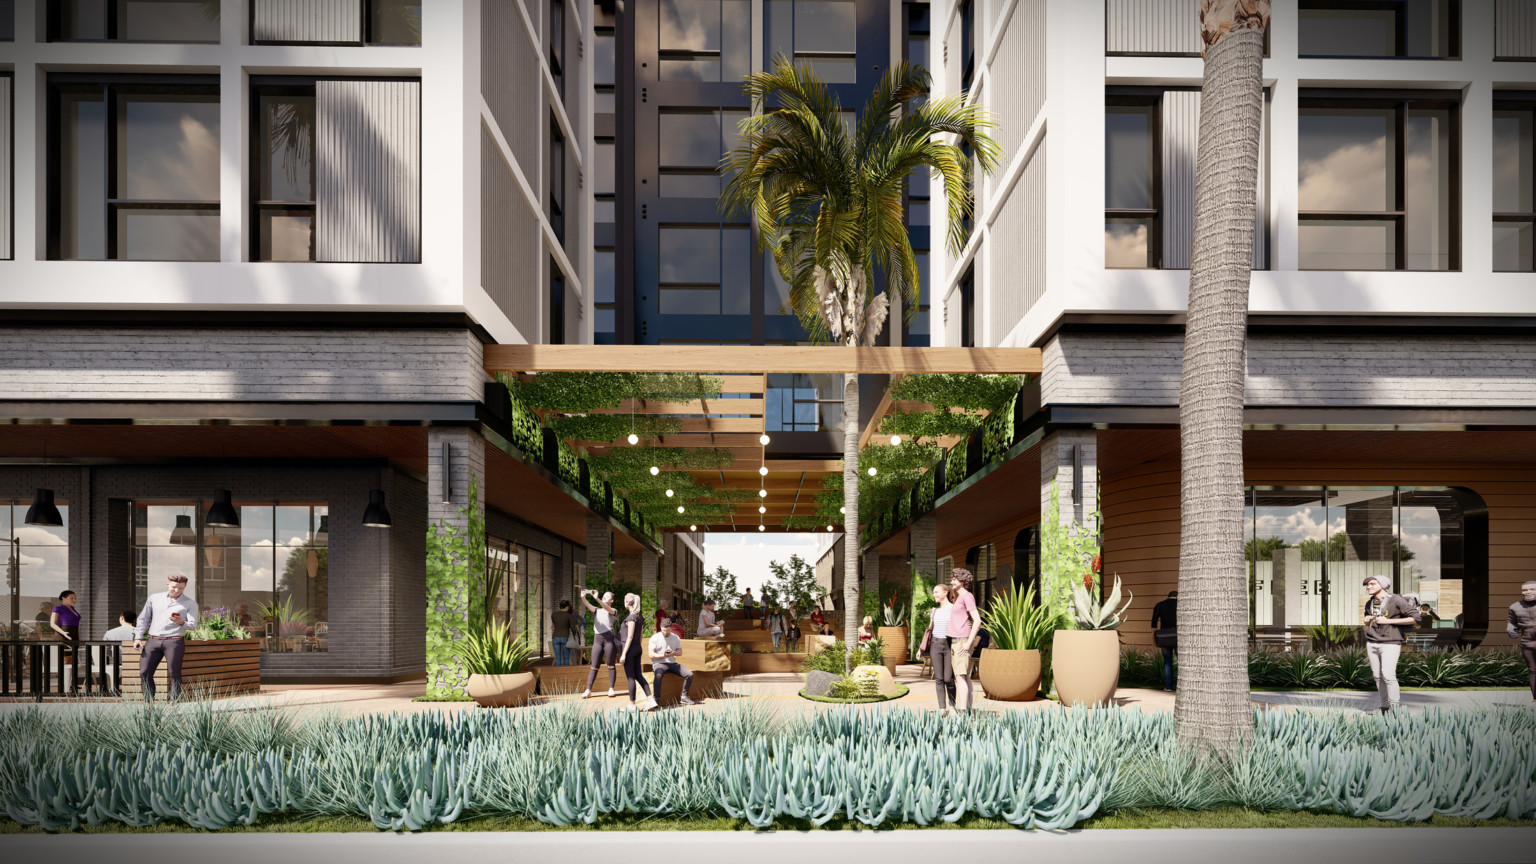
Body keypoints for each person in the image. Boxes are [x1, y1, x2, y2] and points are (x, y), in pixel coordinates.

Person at [133, 574, 199, 702]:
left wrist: (181, 622)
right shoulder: (154, 599)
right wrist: (138, 638)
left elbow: (193, 625)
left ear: (185, 587)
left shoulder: (190, 603)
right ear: (167, 584)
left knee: (174, 674)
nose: (177, 590)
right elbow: (143, 619)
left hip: (174, 642)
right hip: (153, 641)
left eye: (181, 588)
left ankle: (172, 704)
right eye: (174, 587)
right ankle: (149, 704)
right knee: (144, 672)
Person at [1362, 574, 1417, 714]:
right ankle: (1384, 707)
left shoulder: (1396, 600)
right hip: (1372, 642)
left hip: (1390, 643)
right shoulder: (1370, 602)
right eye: (1368, 585)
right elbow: (1367, 619)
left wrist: (1389, 621)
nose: (1369, 587)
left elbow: (1415, 618)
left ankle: (1395, 709)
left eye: (1372, 584)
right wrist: (1367, 620)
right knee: (1377, 676)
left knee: (1388, 675)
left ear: (1382, 585)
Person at [947, 568, 984, 713]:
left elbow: (977, 620)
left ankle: (963, 711)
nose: (951, 582)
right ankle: (967, 708)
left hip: (962, 641)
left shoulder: (967, 596)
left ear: (962, 581)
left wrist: (968, 642)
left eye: (954, 579)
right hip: (957, 640)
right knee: (964, 677)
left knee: (960, 677)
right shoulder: (960, 597)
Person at [920, 583, 956, 713]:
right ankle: (942, 708)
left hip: (949, 644)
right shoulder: (934, 611)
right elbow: (929, 630)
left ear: (945, 592)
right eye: (934, 592)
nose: (934, 595)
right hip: (935, 644)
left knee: (949, 679)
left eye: (936, 592)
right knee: (939, 679)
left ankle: (952, 705)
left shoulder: (954, 608)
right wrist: (921, 649)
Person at [579, 588, 620, 699]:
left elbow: (606, 608)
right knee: (594, 666)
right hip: (597, 640)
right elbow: (588, 606)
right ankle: (588, 690)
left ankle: (611, 688)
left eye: (607, 597)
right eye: (604, 596)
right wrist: (583, 597)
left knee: (611, 665)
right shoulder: (598, 610)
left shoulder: (613, 610)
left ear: (612, 600)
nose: (604, 598)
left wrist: (596, 598)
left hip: (609, 639)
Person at [618, 594, 656, 711]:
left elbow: (629, 637)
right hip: (637, 648)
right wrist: (638, 647)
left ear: (628, 603)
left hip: (629, 650)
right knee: (638, 675)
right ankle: (651, 700)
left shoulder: (631, 618)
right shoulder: (639, 617)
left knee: (630, 677)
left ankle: (632, 704)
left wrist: (624, 654)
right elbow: (640, 636)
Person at [649, 617, 697, 706]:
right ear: (660, 627)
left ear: (671, 628)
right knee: (658, 675)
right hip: (659, 663)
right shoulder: (655, 637)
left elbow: (680, 652)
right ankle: (656, 700)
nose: (665, 632)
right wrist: (663, 655)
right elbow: (651, 654)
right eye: (663, 630)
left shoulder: (675, 637)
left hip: (672, 663)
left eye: (667, 630)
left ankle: (684, 697)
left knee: (689, 674)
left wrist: (673, 652)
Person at [1507, 581, 1536, 703]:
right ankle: (1535, 699)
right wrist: (1510, 629)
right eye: (1524, 590)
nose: (1528, 592)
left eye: (1532, 589)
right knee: (1533, 671)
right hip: (1527, 645)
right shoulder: (1514, 607)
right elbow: (1511, 622)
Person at [1151, 590, 1179, 692]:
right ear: (1177, 597)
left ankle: (1168, 687)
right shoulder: (1180, 605)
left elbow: (1154, 622)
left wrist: (1155, 637)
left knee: (1167, 661)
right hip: (1178, 636)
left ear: (1168, 596)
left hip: (1164, 637)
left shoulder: (1160, 605)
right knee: (1182, 661)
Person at [551, 599, 573, 666]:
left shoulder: (554, 615)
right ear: (566, 607)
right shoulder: (569, 615)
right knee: (566, 658)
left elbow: (555, 623)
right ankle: (565, 672)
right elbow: (572, 627)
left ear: (559, 607)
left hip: (555, 637)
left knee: (557, 658)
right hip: (565, 637)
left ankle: (558, 673)